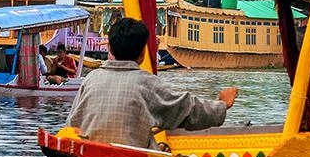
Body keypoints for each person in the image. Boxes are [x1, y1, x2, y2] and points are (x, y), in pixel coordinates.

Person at [68, 16, 238, 148]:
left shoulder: (91, 79)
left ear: (110, 49)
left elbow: (72, 125)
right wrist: (222, 104)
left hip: (96, 155)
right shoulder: (146, 83)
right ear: (142, 54)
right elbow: (187, 110)